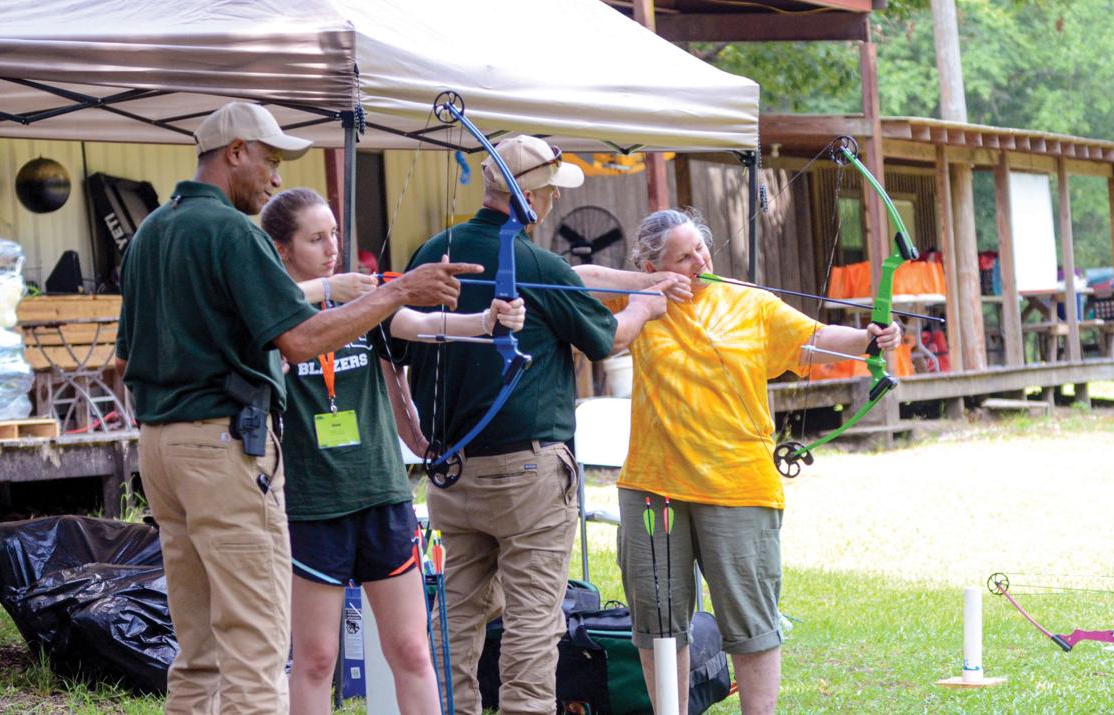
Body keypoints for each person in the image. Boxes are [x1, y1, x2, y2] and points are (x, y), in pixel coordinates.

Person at [115, 102, 481, 715]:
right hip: (223, 448)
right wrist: (396, 291)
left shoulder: (153, 228)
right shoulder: (232, 231)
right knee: (258, 652)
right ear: (235, 152)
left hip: (158, 447)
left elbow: (124, 360)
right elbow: (302, 340)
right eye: (271, 159)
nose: (277, 177)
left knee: (197, 651)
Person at [405, 135, 681, 715]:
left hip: (451, 470)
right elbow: (608, 340)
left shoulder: (433, 250)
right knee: (534, 616)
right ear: (534, 196)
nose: (555, 198)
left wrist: (410, 424)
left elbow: (391, 343)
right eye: (551, 189)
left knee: (454, 612)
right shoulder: (535, 262)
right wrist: (646, 307)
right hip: (528, 474)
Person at [615, 208, 902, 715]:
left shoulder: (749, 303)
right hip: (653, 484)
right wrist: (646, 286)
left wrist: (867, 340)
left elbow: (811, 339)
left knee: (750, 625)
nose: (698, 262)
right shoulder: (639, 300)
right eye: (682, 257)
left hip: (738, 486)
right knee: (658, 623)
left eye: (700, 249)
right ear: (650, 262)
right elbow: (573, 281)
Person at [260, 188, 525, 715]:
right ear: (282, 249)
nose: (332, 246)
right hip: (312, 507)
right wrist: (325, 289)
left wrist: (485, 324)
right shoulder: (270, 315)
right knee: (315, 659)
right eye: (315, 238)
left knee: (410, 648)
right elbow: (267, 344)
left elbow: (424, 325)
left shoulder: (364, 301)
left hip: (381, 494)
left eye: (334, 232)